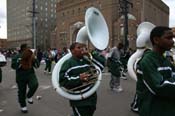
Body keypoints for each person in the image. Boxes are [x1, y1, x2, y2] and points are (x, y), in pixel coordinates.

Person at [136, 26, 175, 116]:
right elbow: (160, 87)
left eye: (172, 38)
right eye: (168, 38)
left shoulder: (166, 60)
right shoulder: (147, 61)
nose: (172, 41)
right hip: (153, 110)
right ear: (156, 40)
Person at [59, 42, 105, 116]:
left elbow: (101, 66)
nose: (82, 49)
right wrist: (79, 78)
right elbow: (63, 80)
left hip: (91, 97)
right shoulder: (68, 63)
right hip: (79, 100)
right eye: (78, 48)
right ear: (72, 51)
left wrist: (91, 53)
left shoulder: (87, 60)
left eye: (82, 48)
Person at [11, 44, 39, 113]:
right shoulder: (17, 56)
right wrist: (20, 61)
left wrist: (34, 58)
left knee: (35, 84)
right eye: (27, 48)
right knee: (21, 91)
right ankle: (23, 106)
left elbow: (37, 66)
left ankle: (29, 96)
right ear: (23, 49)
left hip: (30, 74)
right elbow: (13, 66)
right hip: (21, 76)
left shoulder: (31, 55)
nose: (29, 49)